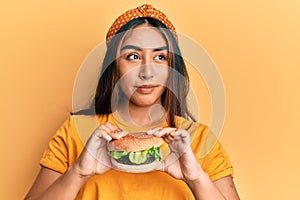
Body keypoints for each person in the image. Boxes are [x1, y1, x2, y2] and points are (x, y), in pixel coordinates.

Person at [25, 4, 240, 200]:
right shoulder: (74, 132)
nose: (147, 72)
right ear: (114, 67)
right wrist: (78, 172)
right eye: (133, 57)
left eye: (160, 57)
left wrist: (196, 179)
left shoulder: (199, 140)